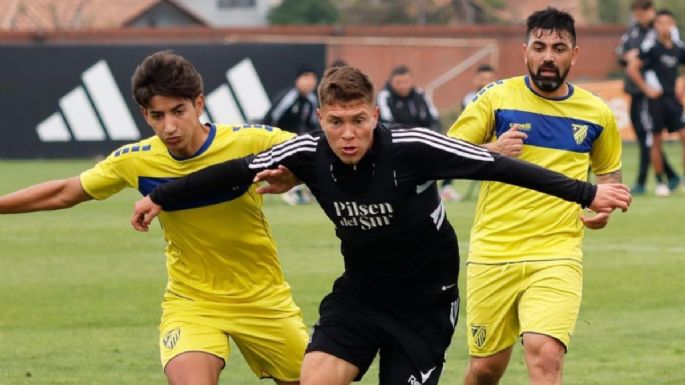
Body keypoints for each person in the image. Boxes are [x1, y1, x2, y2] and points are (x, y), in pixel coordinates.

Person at [131, 66, 631, 385]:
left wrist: (590, 191)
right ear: (321, 119)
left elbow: (502, 167)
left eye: (357, 121)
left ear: (374, 115)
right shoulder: (306, 151)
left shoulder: (414, 146)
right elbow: (232, 172)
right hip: (361, 296)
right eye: (335, 123)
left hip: (425, 304)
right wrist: (161, 198)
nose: (347, 135)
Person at [0, 51, 308, 385]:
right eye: (157, 116)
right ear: (145, 115)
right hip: (192, 302)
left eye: (178, 111)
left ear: (199, 104)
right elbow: (65, 191)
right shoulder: (137, 160)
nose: (169, 127)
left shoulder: (249, 141)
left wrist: (297, 175)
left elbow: (318, 154)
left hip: (263, 300)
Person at [447, 8, 625, 385]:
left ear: (573, 54)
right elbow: (442, 156)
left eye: (559, 48)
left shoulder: (597, 113)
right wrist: (492, 149)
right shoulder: (495, 99)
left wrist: (606, 206)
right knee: (486, 369)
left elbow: (610, 177)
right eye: (540, 47)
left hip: (557, 253)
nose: (548, 56)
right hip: (494, 254)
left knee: (545, 357)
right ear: (524, 51)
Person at [617, 0, 680, 195]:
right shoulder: (633, 31)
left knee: (649, 138)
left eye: (643, 11)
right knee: (646, 137)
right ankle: (671, 176)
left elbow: (673, 53)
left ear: (651, 10)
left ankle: (644, 181)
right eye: (636, 11)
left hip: (656, 94)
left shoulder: (661, 30)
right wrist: (630, 56)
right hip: (636, 91)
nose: (640, 15)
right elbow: (622, 55)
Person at [441, 64, 498, 202]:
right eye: (483, 78)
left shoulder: (500, 97)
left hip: (494, 138)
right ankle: (446, 188)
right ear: (476, 80)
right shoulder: (470, 98)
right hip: (473, 138)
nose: (486, 82)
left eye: (490, 78)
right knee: (453, 148)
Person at [262, 65, 319, 205]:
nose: (309, 82)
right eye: (306, 78)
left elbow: (313, 124)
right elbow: (270, 118)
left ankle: (302, 191)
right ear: (297, 80)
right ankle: (291, 191)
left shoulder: (312, 100)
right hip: (279, 141)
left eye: (312, 78)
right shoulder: (289, 97)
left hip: (298, 141)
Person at [377, 64, 442, 132]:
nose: (403, 86)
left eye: (406, 82)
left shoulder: (420, 95)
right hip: (397, 138)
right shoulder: (384, 97)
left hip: (422, 137)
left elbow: (434, 120)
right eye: (399, 83)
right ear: (391, 82)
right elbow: (387, 123)